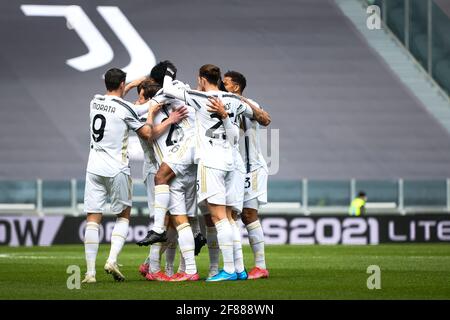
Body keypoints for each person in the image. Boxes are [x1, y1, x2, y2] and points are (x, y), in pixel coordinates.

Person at [162, 63, 266, 281]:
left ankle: (228, 269)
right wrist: (231, 110)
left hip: (213, 162)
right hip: (232, 162)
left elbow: (168, 89)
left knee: (219, 217)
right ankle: (238, 269)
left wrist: (170, 74)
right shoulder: (236, 101)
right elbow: (253, 123)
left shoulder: (200, 97)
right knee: (229, 217)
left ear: (202, 79)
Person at [82, 68, 160, 284]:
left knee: (92, 218)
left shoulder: (95, 101)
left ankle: (90, 273)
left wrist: (134, 83)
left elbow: (115, 98)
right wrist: (152, 113)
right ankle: (112, 260)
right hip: (117, 168)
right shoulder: (126, 109)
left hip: (93, 168)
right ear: (122, 82)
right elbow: (146, 133)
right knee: (123, 215)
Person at [220, 70, 271, 280]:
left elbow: (265, 119)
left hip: (252, 167)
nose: (222, 86)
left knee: (248, 215)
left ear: (236, 87)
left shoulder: (247, 102)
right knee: (229, 216)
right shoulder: (219, 101)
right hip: (232, 167)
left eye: (226, 83)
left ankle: (260, 266)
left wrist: (239, 100)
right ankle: (234, 267)